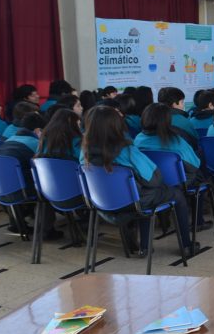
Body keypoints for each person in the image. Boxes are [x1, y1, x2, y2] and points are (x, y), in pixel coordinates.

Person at [81, 105, 194, 256]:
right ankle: (186, 246)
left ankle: (143, 245)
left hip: (100, 202)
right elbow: (154, 179)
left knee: (142, 193)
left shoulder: (84, 152)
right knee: (174, 195)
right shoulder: (127, 150)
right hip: (133, 202)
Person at [135, 103, 212, 232]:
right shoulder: (175, 140)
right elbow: (194, 164)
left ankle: (164, 218)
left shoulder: (138, 139)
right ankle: (198, 222)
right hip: (178, 183)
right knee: (201, 178)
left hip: (150, 185)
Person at [0, 113, 63, 240]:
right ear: (38, 130)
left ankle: (15, 223)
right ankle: (45, 231)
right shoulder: (36, 143)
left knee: (14, 179)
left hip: (0, 187)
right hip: (21, 189)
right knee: (46, 188)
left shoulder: (8, 140)